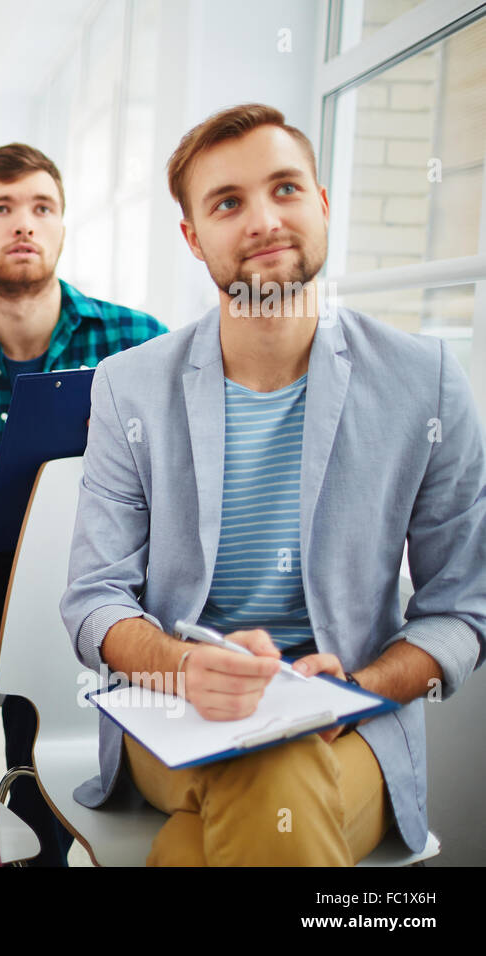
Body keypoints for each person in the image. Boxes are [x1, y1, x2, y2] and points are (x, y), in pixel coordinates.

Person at [60, 104, 486, 865]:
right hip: (174, 715)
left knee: (231, 813)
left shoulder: (427, 383)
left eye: (285, 189)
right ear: (193, 237)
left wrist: (360, 685)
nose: (263, 220)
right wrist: (184, 669)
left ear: (321, 205)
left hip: (355, 722)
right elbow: (94, 601)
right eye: (228, 202)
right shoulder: (129, 387)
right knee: (270, 769)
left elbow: (462, 608)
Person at [0, 142, 167, 865]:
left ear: (62, 227)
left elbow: (188, 488)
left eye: (41, 208)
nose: (23, 223)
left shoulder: (139, 344)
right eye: (0, 209)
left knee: (67, 640)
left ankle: (41, 833)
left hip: (104, 586)